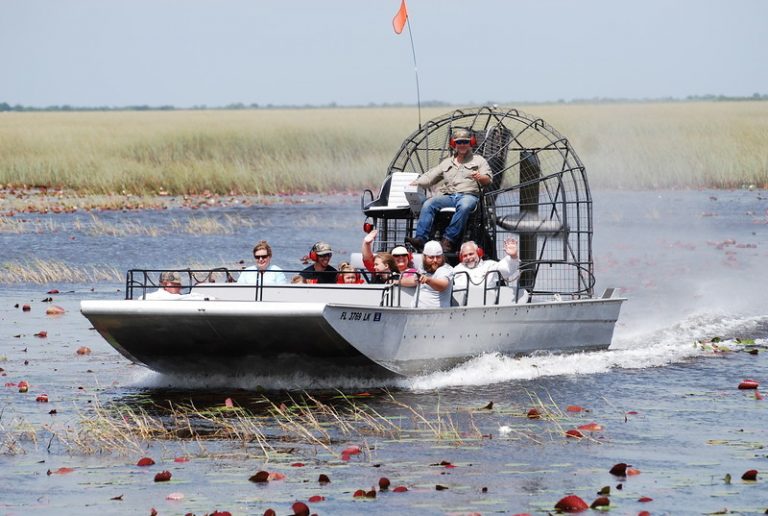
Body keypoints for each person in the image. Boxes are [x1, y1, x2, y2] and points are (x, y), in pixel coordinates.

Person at [405, 127, 492, 254]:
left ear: (471, 143)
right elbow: (430, 177)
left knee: (465, 206)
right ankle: (421, 239)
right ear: (454, 144)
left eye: (465, 142)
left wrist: (480, 177)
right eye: (459, 142)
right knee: (429, 203)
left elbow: (488, 180)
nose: (462, 145)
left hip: (469, 196)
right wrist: (416, 182)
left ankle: (448, 240)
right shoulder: (447, 162)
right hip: (450, 196)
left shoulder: (479, 160)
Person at [452, 238, 520, 291]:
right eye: (465, 256)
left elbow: (506, 269)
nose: (468, 257)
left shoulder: (489, 265)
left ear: (479, 253)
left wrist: (513, 256)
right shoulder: (457, 270)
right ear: (461, 258)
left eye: (471, 254)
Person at [413, 240, 453, 308]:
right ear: (425, 257)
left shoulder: (446, 269)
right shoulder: (422, 267)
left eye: (438, 257)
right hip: (415, 312)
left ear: (442, 256)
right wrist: (395, 281)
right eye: (431, 257)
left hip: (435, 314)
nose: (435, 260)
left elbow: (442, 285)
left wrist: (428, 280)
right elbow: (413, 281)